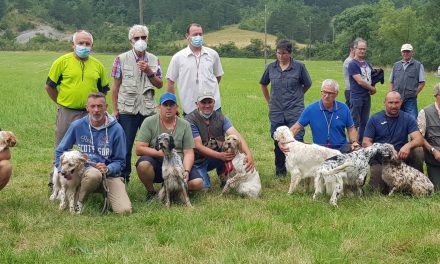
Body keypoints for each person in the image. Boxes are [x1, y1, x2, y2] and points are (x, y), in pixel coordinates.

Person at [45, 30, 110, 190]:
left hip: (90, 114)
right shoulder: (61, 62)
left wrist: (95, 108)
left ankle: (87, 181)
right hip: (67, 111)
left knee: (89, 148)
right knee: (62, 147)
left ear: (92, 46)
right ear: (72, 44)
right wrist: (61, 103)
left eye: (87, 44)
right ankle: (56, 183)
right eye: (81, 43)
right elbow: (50, 86)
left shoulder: (98, 65)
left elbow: (103, 90)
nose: (84, 46)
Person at [55, 93, 131, 214]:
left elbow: (121, 161)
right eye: (93, 106)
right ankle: (79, 202)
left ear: (106, 107)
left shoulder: (117, 129)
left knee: (124, 210)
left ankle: (103, 190)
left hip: (110, 175)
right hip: (84, 172)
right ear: (87, 108)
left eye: (100, 106)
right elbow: (60, 150)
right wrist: (61, 170)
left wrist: (108, 168)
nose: (96, 110)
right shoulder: (77, 125)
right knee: (93, 175)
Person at [111, 24, 163, 183]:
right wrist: (115, 109)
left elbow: (159, 84)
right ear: (130, 41)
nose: (140, 40)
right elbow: (115, 87)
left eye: (143, 37)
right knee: (125, 147)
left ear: (148, 39)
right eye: (137, 38)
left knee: (154, 145)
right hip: (127, 110)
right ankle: (123, 178)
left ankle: (156, 176)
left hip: (148, 111)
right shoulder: (121, 59)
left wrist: (149, 71)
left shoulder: (154, 59)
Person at [135, 92, 203, 200]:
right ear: (159, 107)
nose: (168, 108)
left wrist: (186, 171)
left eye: (171, 105)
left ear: (176, 107)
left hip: (178, 162)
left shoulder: (185, 125)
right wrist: (160, 153)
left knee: (198, 183)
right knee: (143, 165)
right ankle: (151, 192)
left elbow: (189, 152)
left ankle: (171, 189)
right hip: (157, 161)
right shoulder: (149, 122)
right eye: (165, 105)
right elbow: (139, 149)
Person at [259, 39, 312, 177]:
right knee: (278, 141)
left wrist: (297, 95)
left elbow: (307, 84)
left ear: (290, 53)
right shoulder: (271, 67)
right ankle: (280, 171)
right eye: (278, 53)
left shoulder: (299, 67)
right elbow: (263, 84)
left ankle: (300, 171)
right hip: (276, 110)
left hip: (294, 110)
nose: (281, 56)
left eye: (284, 53)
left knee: (297, 139)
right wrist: (269, 102)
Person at [185, 90, 255, 190]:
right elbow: (198, 146)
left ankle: (225, 174)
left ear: (214, 103)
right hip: (198, 160)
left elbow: (237, 136)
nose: (207, 105)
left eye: (210, 102)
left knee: (232, 145)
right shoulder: (190, 120)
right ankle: (193, 179)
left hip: (217, 155)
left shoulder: (221, 117)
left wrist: (248, 154)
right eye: (203, 102)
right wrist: (220, 156)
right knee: (203, 188)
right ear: (197, 104)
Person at [363, 91, 423, 194]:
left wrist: (408, 146)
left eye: (396, 103)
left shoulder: (408, 118)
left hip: (401, 157)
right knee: (377, 191)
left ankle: (417, 183)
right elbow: (366, 142)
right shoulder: (374, 119)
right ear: (385, 102)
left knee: (418, 150)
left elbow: (419, 139)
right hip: (381, 159)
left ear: (401, 103)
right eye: (390, 102)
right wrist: (381, 150)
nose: (394, 106)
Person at [286, 79, 359, 153]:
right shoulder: (311, 109)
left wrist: (354, 142)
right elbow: (296, 128)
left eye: (330, 93)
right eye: (324, 92)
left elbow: (351, 129)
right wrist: (283, 141)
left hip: (341, 149)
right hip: (320, 152)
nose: (327, 96)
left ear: (336, 94)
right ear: (321, 92)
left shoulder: (344, 108)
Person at [166, 23, 224, 115]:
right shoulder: (178, 57)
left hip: (213, 107)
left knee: (216, 129)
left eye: (200, 34)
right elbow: (170, 82)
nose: (198, 37)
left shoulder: (213, 54)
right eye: (195, 34)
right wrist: (172, 104)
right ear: (187, 36)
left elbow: (218, 76)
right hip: (190, 108)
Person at [348, 37, 377, 142]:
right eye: (360, 49)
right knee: (355, 121)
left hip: (366, 96)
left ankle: (362, 142)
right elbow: (359, 81)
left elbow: (371, 77)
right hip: (357, 96)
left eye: (364, 49)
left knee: (365, 121)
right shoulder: (352, 64)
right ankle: (354, 143)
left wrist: (373, 86)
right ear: (355, 49)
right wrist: (372, 89)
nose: (362, 51)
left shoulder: (367, 63)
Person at [390, 43, 425, 119]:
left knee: (412, 119)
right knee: (396, 118)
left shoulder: (418, 65)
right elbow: (391, 82)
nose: (406, 53)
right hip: (397, 99)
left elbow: (422, 83)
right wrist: (391, 95)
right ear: (401, 52)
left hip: (410, 99)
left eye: (408, 51)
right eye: (404, 51)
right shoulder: (396, 65)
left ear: (412, 52)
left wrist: (414, 93)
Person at [417, 83, 440, 189]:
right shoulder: (425, 113)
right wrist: (433, 151)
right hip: (435, 158)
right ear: (437, 96)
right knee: (437, 188)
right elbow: (419, 138)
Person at [343, 41, 355, 106]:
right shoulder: (349, 61)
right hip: (350, 90)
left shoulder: (354, 61)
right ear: (351, 49)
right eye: (357, 48)